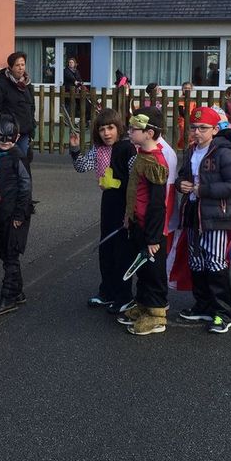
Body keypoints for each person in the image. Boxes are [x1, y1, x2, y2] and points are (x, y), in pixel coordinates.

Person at [174, 106, 231, 334]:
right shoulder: (191, 150)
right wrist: (181, 184)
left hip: (217, 216)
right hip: (193, 212)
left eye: (203, 128)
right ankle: (203, 305)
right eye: (194, 127)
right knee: (196, 261)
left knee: (215, 262)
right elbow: (182, 177)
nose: (196, 132)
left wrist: (202, 189)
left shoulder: (224, 153)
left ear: (215, 130)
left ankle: (222, 313)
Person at [69, 108, 136, 312]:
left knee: (122, 251)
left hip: (124, 202)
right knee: (106, 248)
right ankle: (107, 291)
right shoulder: (98, 149)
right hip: (108, 201)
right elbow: (82, 166)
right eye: (102, 129)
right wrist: (75, 149)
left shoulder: (128, 148)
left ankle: (124, 296)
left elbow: (135, 181)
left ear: (119, 128)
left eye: (110, 128)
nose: (106, 133)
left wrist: (130, 211)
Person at [116, 106, 171, 336]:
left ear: (149, 133)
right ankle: (144, 304)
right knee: (143, 269)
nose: (129, 132)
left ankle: (157, 315)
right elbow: (135, 192)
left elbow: (158, 204)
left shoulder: (155, 162)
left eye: (134, 129)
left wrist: (153, 238)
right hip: (139, 223)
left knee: (154, 272)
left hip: (152, 230)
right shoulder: (142, 155)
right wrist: (129, 217)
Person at [0, 114, 32, 317]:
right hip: (3, 212)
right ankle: (17, 291)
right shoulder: (2, 157)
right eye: (0, 137)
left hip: (15, 215)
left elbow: (26, 186)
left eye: (9, 137)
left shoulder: (17, 157)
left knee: (11, 254)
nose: (4, 141)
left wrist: (19, 215)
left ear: (17, 136)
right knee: (6, 252)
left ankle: (9, 296)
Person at [0, 52, 36, 159]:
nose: (21, 68)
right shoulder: (0, 84)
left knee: (23, 161)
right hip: (7, 135)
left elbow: (31, 107)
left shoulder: (27, 85)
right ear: (10, 67)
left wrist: (32, 127)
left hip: (24, 132)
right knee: (7, 162)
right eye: (17, 65)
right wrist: (1, 128)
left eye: (22, 65)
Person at [174, 82, 197, 150]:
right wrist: (188, 118)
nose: (187, 90)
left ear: (191, 89)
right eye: (185, 88)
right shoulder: (181, 99)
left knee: (191, 135)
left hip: (191, 120)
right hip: (183, 120)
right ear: (182, 89)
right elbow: (181, 111)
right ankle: (180, 148)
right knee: (184, 135)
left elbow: (194, 110)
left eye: (189, 88)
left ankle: (188, 148)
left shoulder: (192, 100)